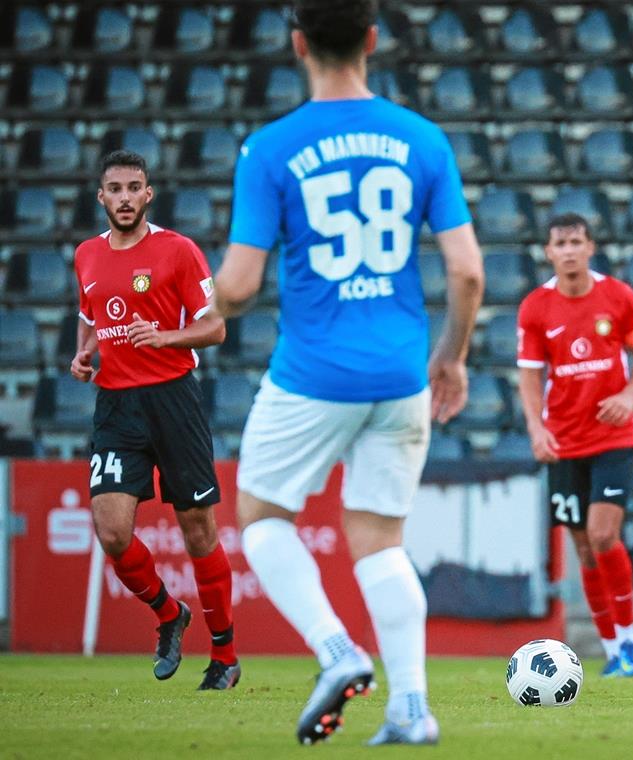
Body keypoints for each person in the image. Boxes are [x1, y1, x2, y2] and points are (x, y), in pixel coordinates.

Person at [211, 0, 484, 746]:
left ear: (298, 43)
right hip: (400, 376)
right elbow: (465, 273)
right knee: (380, 541)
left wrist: (189, 305)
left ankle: (337, 653)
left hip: (312, 374)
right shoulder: (422, 138)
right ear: (371, 39)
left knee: (263, 518)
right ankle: (412, 711)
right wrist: (451, 358)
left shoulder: (270, 148)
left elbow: (236, 288)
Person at [70, 149, 238, 690]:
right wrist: (84, 353)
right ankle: (169, 614)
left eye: (133, 188)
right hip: (116, 405)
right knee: (113, 532)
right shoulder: (86, 256)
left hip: (173, 400)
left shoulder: (178, 251)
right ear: (101, 197)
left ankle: (224, 658)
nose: (123, 198)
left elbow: (215, 328)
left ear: (148, 195)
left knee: (197, 531)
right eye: (113, 189)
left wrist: (164, 336)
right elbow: (90, 314)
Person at [517, 213, 633, 678]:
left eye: (577, 241)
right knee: (583, 550)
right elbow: (530, 375)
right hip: (563, 440)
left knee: (603, 536)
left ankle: (632, 643)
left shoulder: (617, 296)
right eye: (561, 243)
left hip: (614, 435)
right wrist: (537, 430)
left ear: (590, 247)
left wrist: (629, 394)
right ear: (549, 252)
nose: (570, 250)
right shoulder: (535, 307)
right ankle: (612, 648)